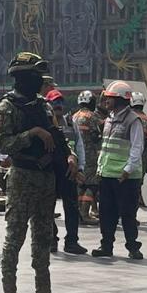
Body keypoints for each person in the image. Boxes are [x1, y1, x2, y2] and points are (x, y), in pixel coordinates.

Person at [0, 53, 78, 293]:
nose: (39, 82)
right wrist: (31, 134)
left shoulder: (43, 105)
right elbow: (3, 144)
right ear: (21, 78)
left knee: (43, 236)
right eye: (34, 77)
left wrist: (70, 155)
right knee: (15, 237)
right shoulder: (6, 108)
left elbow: (56, 135)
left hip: (46, 177)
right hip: (23, 176)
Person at [92, 81, 145, 260]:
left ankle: (133, 246)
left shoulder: (133, 120)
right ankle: (106, 245)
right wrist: (101, 167)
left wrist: (128, 169)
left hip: (125, 177)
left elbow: (137, 147)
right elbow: (106, 147)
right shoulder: (109, 118)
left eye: (110, 98)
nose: (106, 101)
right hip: (107, 174)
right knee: (106, 213)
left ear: (121, 99)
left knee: (128, 213)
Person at [46, 89, 88, 254]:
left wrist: (81, 167)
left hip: (69, 170)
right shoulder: (45, 125)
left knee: (71, 207)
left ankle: (72, 241)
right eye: (55, 103)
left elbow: (80, 146)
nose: (59, 106)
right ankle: (52, 239)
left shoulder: (71, 122)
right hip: (50, 170)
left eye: (60, 102)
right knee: (48, 207)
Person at [71, 90, 104, 225]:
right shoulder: (93, 117)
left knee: (80, 184)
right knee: (92, 184)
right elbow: (102, 133)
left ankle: (79, 212)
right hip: (90, 155)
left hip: (77, 155)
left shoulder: (74, 117)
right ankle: (85, 214)